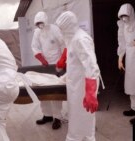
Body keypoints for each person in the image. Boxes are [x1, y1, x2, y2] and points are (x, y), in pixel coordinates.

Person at [55, 11, 100, 141]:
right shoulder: (73, 39)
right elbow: (74, 63)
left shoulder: (81, 39)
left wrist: (90, 92)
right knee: (77, 116)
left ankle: (77, 138)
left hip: (83, 87)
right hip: (76, 86)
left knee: (82, 117)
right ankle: (83, 137)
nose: (60, 32)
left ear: (68, 26)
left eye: (62, 29)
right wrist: (64, 77)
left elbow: (91, 66)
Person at [31, 11, 67, 129]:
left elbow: (64, 44)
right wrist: (41, 58)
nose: (40, 25)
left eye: (41, 22)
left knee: (54, 91)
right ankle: (47, 115)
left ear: (45, 21)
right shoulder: (37, 32)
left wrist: (62, 60)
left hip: (56, 64)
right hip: (45, 65)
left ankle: (57, 117)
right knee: (43, 90)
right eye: (38, 23)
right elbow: (35, 46)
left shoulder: (54, 29)